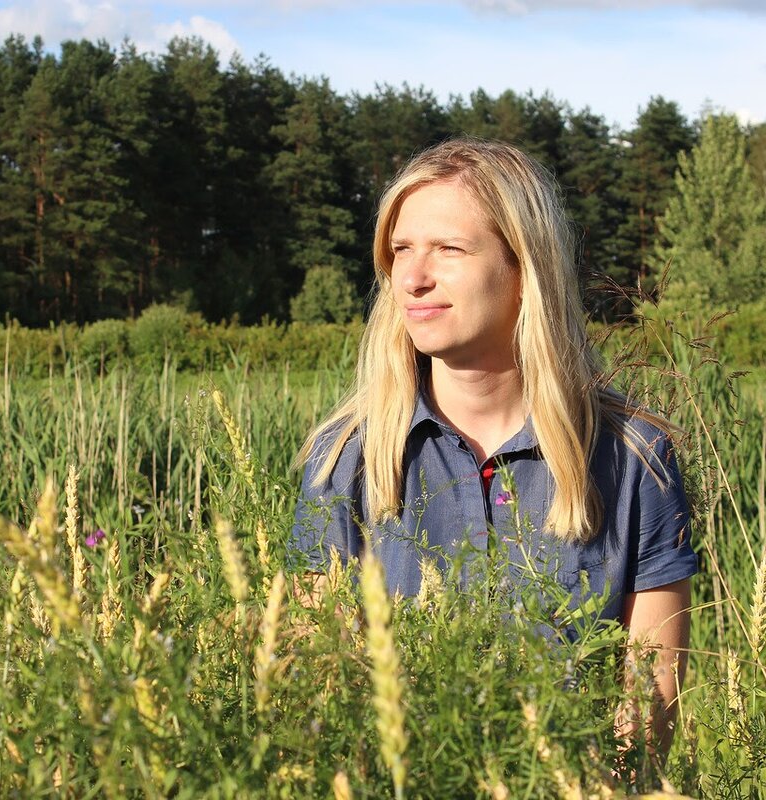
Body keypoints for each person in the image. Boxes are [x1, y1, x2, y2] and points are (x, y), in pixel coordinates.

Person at [289, 136, 697, 759]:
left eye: (448, 249)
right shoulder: (344, 459)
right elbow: (320, 694)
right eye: (401, 250)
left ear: (523, 267)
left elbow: (650, 697)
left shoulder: (635, 460)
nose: (413, 278)